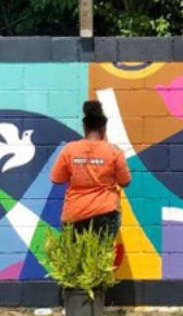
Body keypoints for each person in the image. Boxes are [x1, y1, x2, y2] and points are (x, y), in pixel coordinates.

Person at [50, 100, 132, 239]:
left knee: (75, 259)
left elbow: (56, 179)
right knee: (101, 259)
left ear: (84, 127)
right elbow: (125, 182)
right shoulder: (114, 151)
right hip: (105, 213)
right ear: (104, 128)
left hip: (75, 214)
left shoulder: (69, 150)